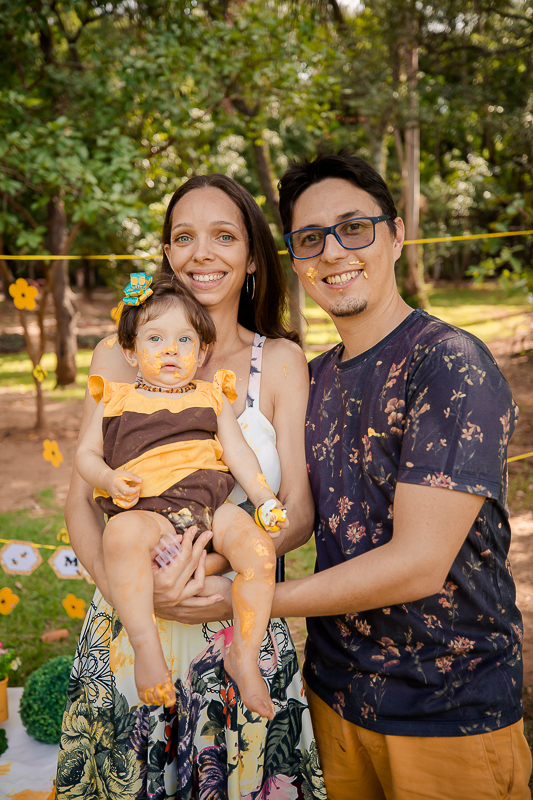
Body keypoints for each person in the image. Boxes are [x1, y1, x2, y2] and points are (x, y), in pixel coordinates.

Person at [266, 151, 532, 799]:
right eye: (309, 239)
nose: (332, 252)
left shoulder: (446, 365)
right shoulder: (314, 376)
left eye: (353, 227)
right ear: (295, 260)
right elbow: (295, 515)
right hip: (331, 698)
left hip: (447, 713)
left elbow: (417, 563)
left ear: (395, 234)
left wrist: (248, 603)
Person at [56, 175, 326, 799]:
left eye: (224, 236)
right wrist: (138, 590)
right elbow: (80, 502)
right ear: (169, 254)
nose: (202, 252)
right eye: (184, 237)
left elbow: (298, 513)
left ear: (254, 256)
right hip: (127, 626)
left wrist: (215, 578)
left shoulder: (278, 362)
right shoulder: (118, 357)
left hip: (238, 616)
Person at [75, 274, 289, 718]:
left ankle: (244, 656)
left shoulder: (212, 396)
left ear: (202, 351)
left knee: (259, 551)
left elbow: (240, 456)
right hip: (148, 512)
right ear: (131, 353)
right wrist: (109, 479)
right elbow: (86, 455)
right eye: (155, 338)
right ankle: (146, 646)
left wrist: (265, 498)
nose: (171, 350)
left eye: (184, 340)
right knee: (119, 536)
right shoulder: (115, 398)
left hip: (210, 511)